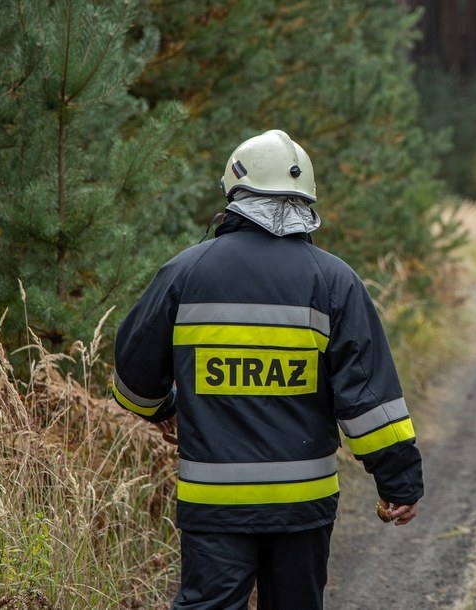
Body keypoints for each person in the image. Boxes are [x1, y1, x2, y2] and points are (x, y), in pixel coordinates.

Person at [111, 129, 424, 609]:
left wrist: (165, 410)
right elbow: (369, 402)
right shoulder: (334, 281)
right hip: (303, 504)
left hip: (214, 505)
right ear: (305, 200)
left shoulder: (185, 272)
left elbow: (133, 383)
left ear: (235, 193)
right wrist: (398, 482)